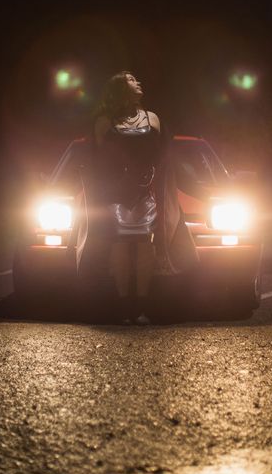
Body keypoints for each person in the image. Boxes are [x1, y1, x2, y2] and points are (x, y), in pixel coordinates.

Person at [75, 71, 198, 324]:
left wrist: (156, 179)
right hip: (117, 191)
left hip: (147, 189)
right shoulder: (104, 121)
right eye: (132, 80)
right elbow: (99, 159)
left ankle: (141, 304)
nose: (138, 82)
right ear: (120, 89)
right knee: (119, 245)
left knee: (146, 246)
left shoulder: (151, 117)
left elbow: (164, 154)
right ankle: (123, 305)